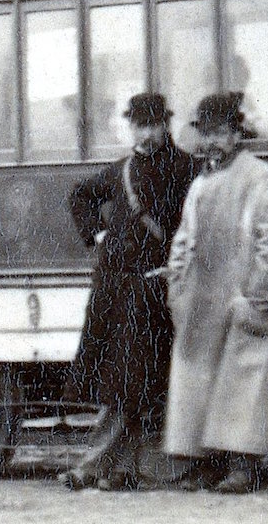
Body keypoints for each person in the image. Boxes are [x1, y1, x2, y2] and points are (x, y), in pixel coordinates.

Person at [59, 93, 196, 491]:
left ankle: (95, 465)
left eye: (152, 124)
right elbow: (80, 196)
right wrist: (97, 234)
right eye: (138, 124)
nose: (145, 132)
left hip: (153, 288)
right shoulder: (121, 170)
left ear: (165, 125)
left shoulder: (186, 168)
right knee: (124, 382)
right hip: (114, 290)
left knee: (132, 382)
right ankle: (120, 469)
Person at [164, 93, 268, 493]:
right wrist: (179, 291)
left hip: (245, 297)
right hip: (200, 300)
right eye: (205, 135)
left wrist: (256, 296)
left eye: (220, 134)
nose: (211, 144)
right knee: (199, 383)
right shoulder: (200, 185)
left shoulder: (263, 180)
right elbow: (182, 243)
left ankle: (244, 465)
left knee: (244, 384)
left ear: (238, 134)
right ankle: (204, 463)